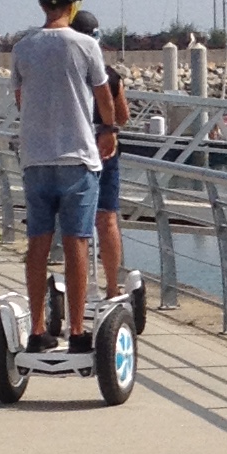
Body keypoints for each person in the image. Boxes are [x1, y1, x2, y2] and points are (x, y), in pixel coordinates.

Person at [11, 0, 110, 346]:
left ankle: (36, 330)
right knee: (76, 244)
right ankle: (77, 330)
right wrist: (110, 131)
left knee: (37, 243)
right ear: (75, 3)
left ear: (41, 2)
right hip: (77, 159)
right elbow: (104, 101)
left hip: (35, 160)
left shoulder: (22, 47)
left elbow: (21, 101)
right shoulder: (86, 45)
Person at [92, 31, 129, 291]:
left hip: (72, 148)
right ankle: (113, 286)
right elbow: (123, 116)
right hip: (105, 150)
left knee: (75, 222)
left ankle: (78, 284)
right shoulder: (111, 77)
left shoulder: (67, 75)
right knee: (108, 219)